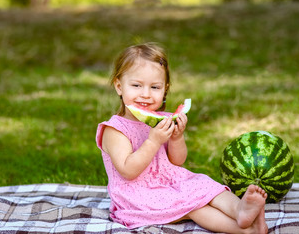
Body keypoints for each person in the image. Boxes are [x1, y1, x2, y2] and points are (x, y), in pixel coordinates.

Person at [96, 42, 268, 233]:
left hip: (172, 182)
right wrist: (153, 141)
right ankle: (247, 231)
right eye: (136, 85)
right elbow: (128, 171)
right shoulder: (115, 129)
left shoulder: (164, 120)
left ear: (165, 89)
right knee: (194, 207)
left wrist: (176, 138)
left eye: (154, 87)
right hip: (139, 195)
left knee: (207, 186)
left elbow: (177, 161)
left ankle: (240, 210)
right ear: (119, 86)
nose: (145, 94)